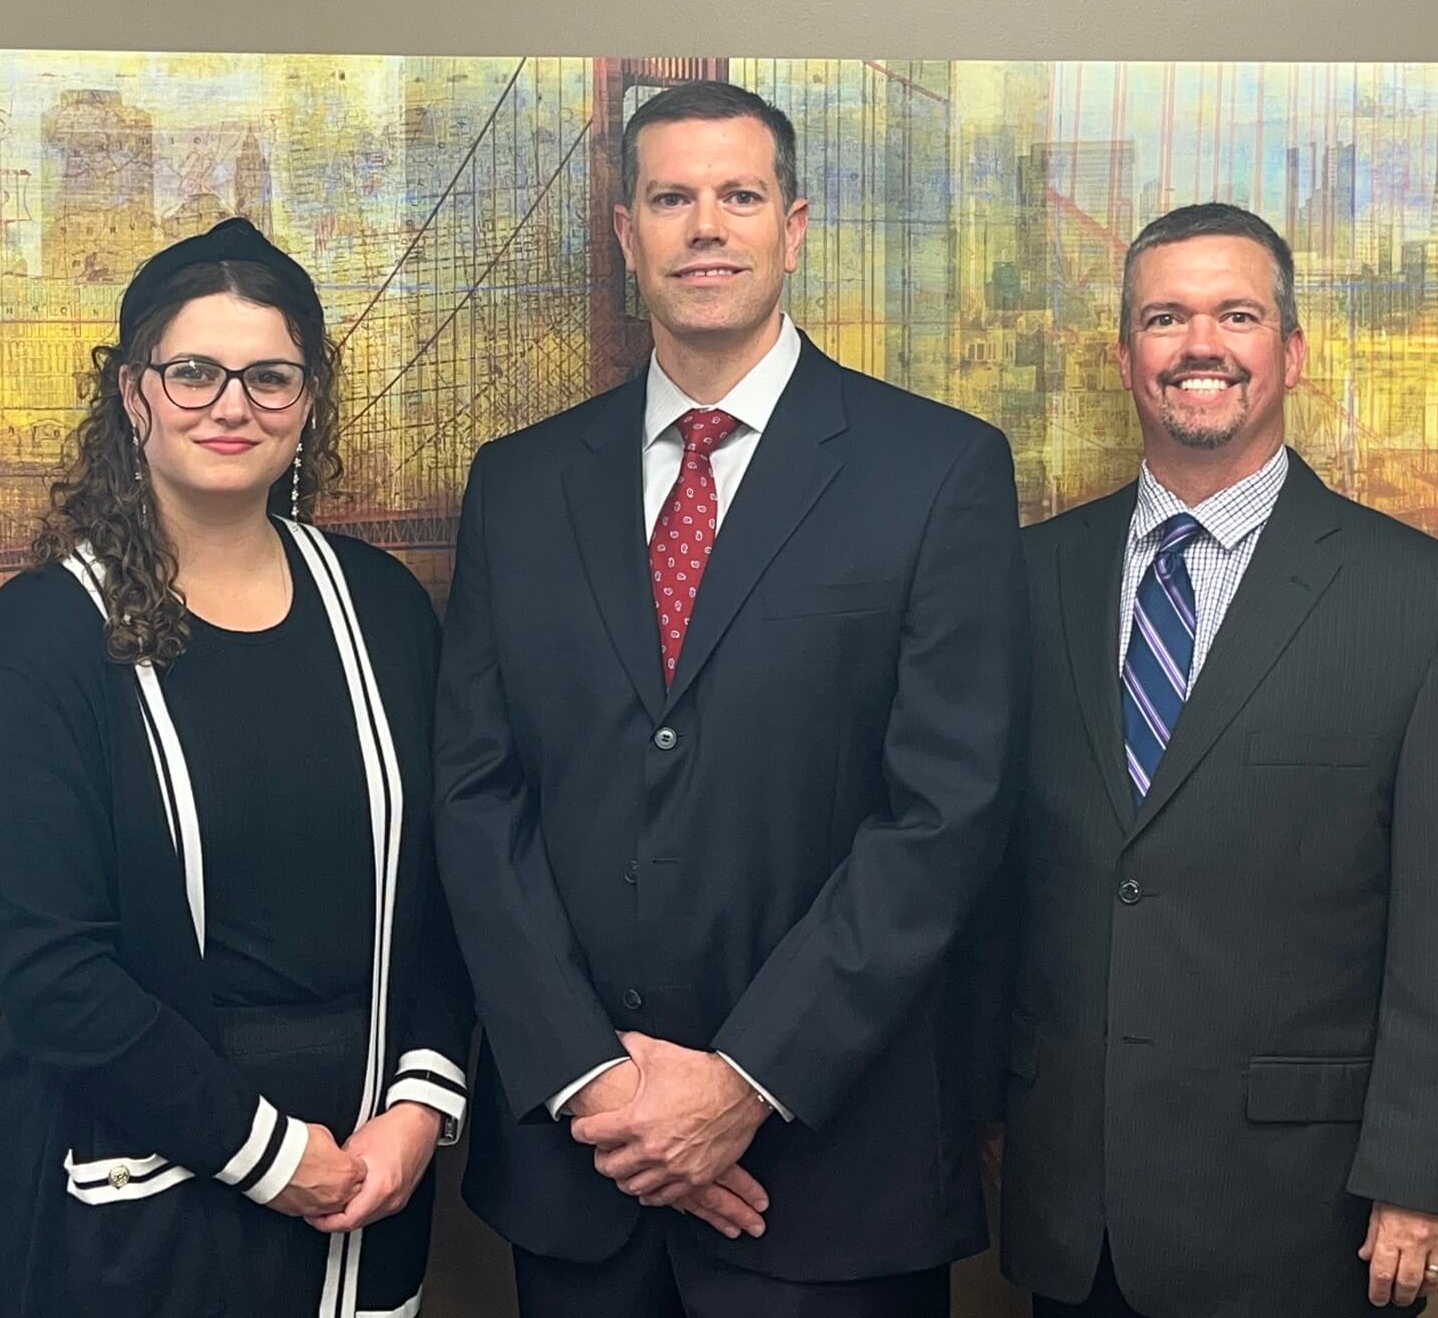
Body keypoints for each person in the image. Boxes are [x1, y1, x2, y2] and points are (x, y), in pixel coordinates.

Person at [434, 79, 1027, 1317]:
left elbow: (945, 818)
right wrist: (597, 1084)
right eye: (672, 197)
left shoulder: (937, 470)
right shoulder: (518, 484)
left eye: (739, 195)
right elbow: (478, 801)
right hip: (580, 1174)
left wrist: (743, 1083)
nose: (706, 225)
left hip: (828, 1173)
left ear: (793, 226)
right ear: (625, 232)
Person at [996, 203, 1438, 1317]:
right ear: (1125, 355)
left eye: (1236, 315)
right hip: (1071, 1205)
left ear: (1289, 352)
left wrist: (1424, 1184)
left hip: (1306, 1216)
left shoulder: (1432, 608)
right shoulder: (1022, 580)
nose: (1201, 345)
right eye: (1165, 317)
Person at [0, 217, 472, 1318]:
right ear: (134, 393)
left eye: (269, 377)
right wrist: (276, 1156)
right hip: (138, 1192)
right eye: (194, 373)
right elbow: (51, 976)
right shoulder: (45, 634)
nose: (232, 406)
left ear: (308, 401)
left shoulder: (381, 609)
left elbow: (446, 888)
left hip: (367, 1181)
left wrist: (420, 1104)